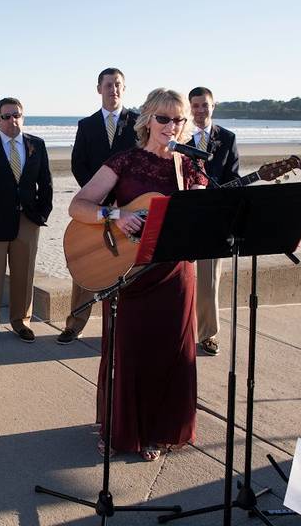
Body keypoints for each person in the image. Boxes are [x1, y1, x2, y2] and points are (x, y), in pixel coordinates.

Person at [68, 88, 206, 460]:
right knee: (130, 353)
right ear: (147, 121)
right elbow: (77, 205)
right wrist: (116, 216)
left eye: (178, 119)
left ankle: (160, 430)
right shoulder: (125, 161)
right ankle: (122, 430)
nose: (171, 126)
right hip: (131, 275)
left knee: (172, 354)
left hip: (176, 272)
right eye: (163, 118)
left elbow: (199, 216)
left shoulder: (190, 166)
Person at [60, 67, 139, 345]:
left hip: (129, 208)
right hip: (94, 208)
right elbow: (77, 164)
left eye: (118, 85)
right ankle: (75, 324)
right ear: (99, 89)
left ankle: (118, 330)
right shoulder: (87, 125)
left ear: (124, 89)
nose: (113, 90)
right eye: (108, 85)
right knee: (86, 263)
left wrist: (123, 198)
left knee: (124, 268)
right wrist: (96, 195)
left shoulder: (139, 123)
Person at [0, 97, 53, 343]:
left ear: (22, 117)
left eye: (16, 115)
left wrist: (42, 214)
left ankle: (21, 321)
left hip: (27, 220)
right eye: (6, 116)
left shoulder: (37, 144)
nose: (11, 120)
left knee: (24, 275)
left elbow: (45, 183)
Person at [188, 86, 240, 356]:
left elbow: (233, 177)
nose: (200, 110)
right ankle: (178, 330)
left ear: (213, 106)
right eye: (195, 105)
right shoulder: (179, 136)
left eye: (204, 105)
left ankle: (208, 333)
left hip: (214, 218)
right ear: (189, 107)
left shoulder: (228, 139)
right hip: (184, 215)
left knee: (209, 280)